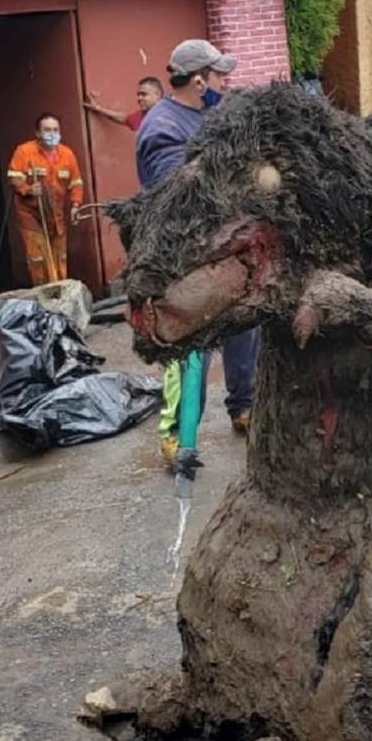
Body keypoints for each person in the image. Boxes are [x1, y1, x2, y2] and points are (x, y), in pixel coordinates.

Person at [134, 39, 259, 464]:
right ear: (199, 80)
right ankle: (178, 435)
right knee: (192, 348)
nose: (227, 81)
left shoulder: (213, 114)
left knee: (246, 328)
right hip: (186, 260)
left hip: (230, 248)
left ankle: (245, 407)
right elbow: (179, 198)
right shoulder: (163, 127)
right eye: (220, 75)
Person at [6, 113, 85, 286]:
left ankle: (61, 290)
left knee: (59, 255)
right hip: (31, 214)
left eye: (55, 129)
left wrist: (75, 205)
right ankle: (43, 293)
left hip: (56, 214)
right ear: (38, 133)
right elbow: (13, 177)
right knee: (38, 258)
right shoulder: (25, 151)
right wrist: (27, 189)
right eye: (47, 129)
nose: (52, 133)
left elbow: (76, 182)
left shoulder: (67, 154)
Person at [84, 77, 164, 131]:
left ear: (157, 94)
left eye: (144, 94)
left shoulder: (170, 114)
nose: (139, 98)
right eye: (138, 95)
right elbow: (124, 119)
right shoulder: (144, 115)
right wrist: (98, 108)